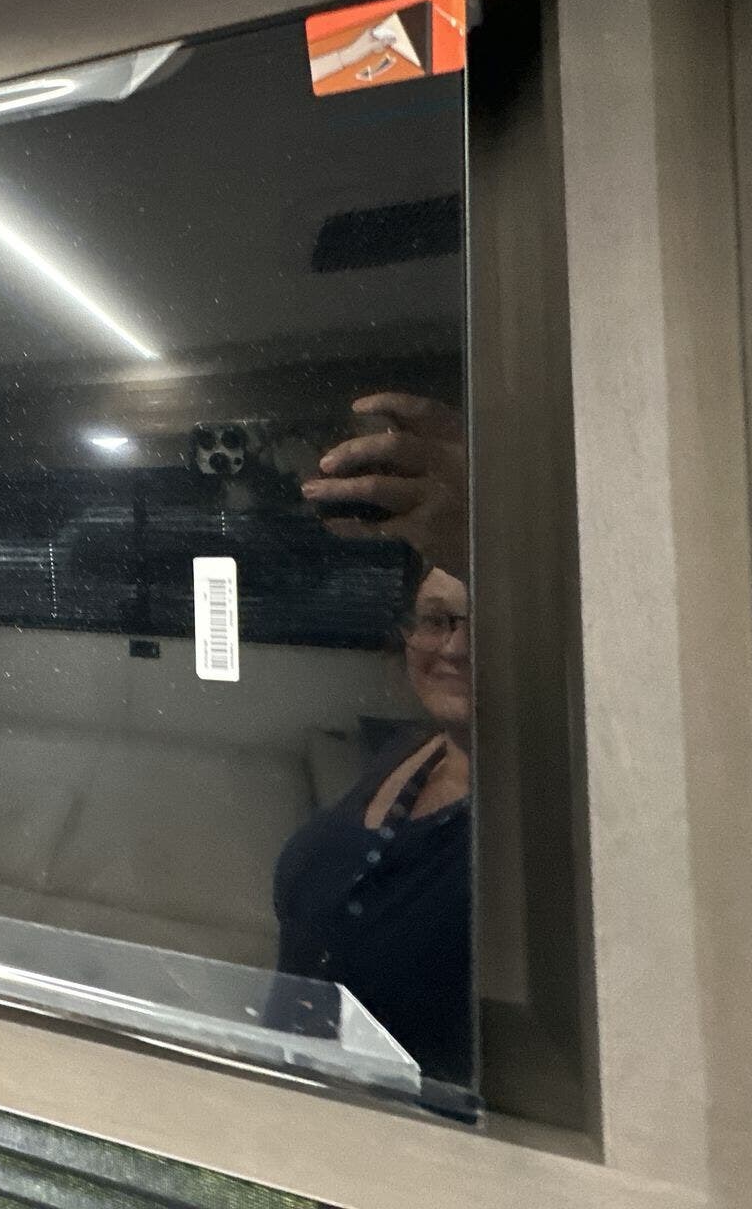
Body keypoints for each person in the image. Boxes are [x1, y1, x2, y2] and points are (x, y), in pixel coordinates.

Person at [272, 392, 474, 1086]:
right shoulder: (410, 753)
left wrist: (490, 529)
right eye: (437, 620)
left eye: (484, 619)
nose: (455, 647)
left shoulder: (543, 801)